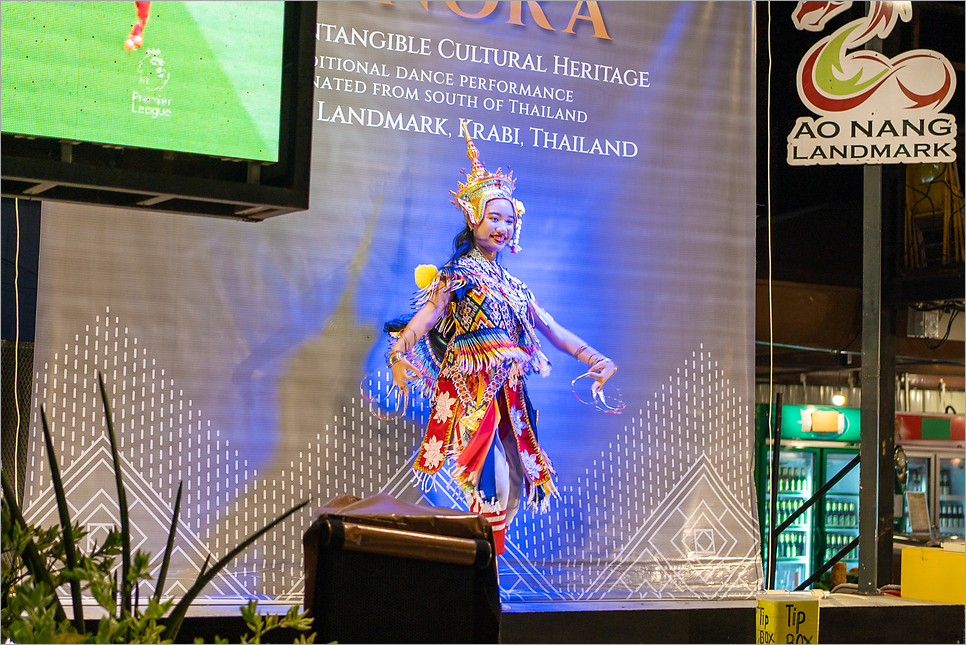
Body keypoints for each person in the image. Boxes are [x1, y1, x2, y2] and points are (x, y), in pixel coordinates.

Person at [386, 124, 617, 555]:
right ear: (474, 217)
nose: (502, 227)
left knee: (512, 483)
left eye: (509, 220)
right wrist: (398, 352)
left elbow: (550, 328)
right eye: (494, 217)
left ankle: (486, 575)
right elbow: (425, 317)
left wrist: (595, 356)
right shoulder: (456, 273)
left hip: (508, 391)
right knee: (487, 485)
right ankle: (477, 577)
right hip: (472, 390)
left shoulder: (512, 284)